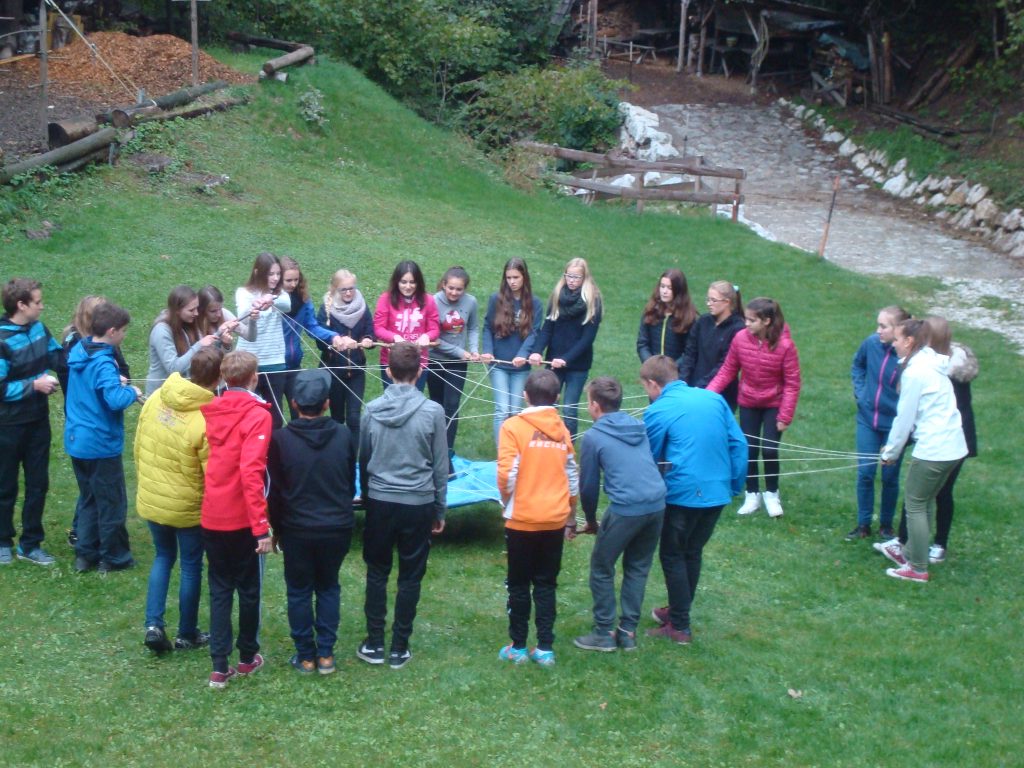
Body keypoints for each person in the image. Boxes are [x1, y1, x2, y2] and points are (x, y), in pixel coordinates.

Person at [641, 355, 747, 645]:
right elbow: (739, 444)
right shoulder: (713, 399)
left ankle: (680, 626)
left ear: (653, 384)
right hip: (717, 492)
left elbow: (649, 458)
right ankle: (678, 610)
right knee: (692, 551)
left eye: (646, 388)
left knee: (673, 554)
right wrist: (733, 484)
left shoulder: (658, 410)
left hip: (683, 494)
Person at [357, 342, 447, 669]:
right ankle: (397, 647)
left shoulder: (371, 410)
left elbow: (364, 459)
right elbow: (440, 465)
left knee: (377, 572)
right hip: (417, 503)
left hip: (381, 502)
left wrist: (368, 497)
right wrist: (439, 508)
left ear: (388, 371)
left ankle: (377, 643)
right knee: (410, 575)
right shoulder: (432, 411)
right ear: (420, 372)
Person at [268, 369, 357, 676]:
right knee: (329, 586)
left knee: (299, 590)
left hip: (297, 528)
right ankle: (326, 654)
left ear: (293, 403)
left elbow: (275, 491)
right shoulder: (344, 435)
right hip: (336, 525)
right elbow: (349, 481)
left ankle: (306, 656)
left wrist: (276, 527)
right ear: (327, 403)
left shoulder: (280, 440)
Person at [134, 347, 223, 653]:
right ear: (218, 378)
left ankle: (153, 625)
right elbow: (212, 473)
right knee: (190, 566)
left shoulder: (158, 396)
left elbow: (138, 443)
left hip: (153, 496)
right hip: (187, 508)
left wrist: (145, 481)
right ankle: (187, 633)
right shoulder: (206, 419)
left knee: (162, 557)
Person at [573, 377, 665, 653]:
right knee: (638, 566)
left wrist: (591, 520)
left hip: (627, 508)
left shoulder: (594, 437)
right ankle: (627, 633)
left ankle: (603, 633)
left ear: (595, 406)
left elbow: (588, 486)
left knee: (602, 567)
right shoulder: (638, 426)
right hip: (657, 503)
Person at [200, 350, 275, 688]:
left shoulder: (215, 409)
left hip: (212, 514)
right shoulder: (257, 415)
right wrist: (261, 527)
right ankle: (246, 657)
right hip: (241, 518)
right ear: (254, 377)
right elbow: (251, 472)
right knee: (248, 589)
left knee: (219, 589)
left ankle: (219, 666)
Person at [878, 316, 978, 567]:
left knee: (915, 505)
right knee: (924, 503)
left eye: (897, 339)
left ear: (910, 341)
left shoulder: (916, 372)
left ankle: (917, 567)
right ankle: (911, 554)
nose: (893, 344)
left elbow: (904, 419)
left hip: (935, 449)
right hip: (953, 447)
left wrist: (890, 453)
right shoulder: (934, 364)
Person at [496, 368, 579, 667]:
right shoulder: (562, 429)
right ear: (557, 397)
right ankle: (545, 648)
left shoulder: (512, 427)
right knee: (546, 583)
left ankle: (518, 646)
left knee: (518, 583)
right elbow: (572, 475)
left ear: (524, 396)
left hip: (522, 518)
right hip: (554, 519)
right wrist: (570, 513)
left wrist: (507, 501)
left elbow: (507, 473)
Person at [65, 301, 143, 573]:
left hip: (77, 440)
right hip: (99, 443)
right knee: (111, 502)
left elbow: (96, 387)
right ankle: (114, 557)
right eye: (123, 331)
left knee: (89, 498)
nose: (124, 335)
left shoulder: (81, 350)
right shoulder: (104, 361)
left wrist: (114, 382)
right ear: (112, 331)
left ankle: (85, 555)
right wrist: (131, 391)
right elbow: (114, 400)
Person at [708, 297, 801, 518]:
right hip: (748, 401)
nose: (746, 324)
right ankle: (752, 494)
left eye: (752, 320)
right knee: (748, 448)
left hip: (773, 404)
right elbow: (728, 370)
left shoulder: (785, 346)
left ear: (766, 321)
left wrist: (785, 415)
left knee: (769, 449)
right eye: (746, 319)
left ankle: (772, 493)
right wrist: (708, 395)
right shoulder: (740, 338)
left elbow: (792, 383)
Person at [0, 278, 62, 567]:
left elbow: (58, 356)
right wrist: (34, 386)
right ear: (21, 305)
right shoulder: (2, 339)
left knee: (38, 484)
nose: (42, 306)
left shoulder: (39, 329)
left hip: (38, 421)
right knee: (5, 485)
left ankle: (30, 544)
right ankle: (2, 541)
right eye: (37, 302)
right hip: (8, 427)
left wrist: (94, 352)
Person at [848, 306, 909, 540]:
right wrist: (861, 393)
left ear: (898, 329)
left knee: (889, 476)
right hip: (867, 420)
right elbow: (858, 365)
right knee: (865, 472)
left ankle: (886, 525)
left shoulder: (907, 357)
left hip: (894, 426)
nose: (878, 330)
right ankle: (863, 524)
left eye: (883, 326)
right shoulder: (871, 344)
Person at [528, 258, 602, 439]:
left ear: (584, 278)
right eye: (569, 276)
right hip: (553, 362)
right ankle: (546, 443)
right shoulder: (558, 296)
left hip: (577, 365)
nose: (571, 280)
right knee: (547, 405)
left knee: (569, 408)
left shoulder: (593, 300)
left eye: (576, 277)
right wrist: (537, 350)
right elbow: (547, 328)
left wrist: (566, 359)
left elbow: (587, 339)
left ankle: (568, 447)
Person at [480, 257, 542, 444]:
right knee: (502, 409)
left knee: (515, 412)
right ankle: (503, 455)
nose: (512, 282)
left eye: (516, 277)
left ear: (524, 277)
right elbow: (487, 327)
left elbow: (534, 333)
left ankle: (514, 450)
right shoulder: (496, 299)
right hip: (498, 363)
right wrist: (488, 351)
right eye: (508, 278)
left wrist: (523, 354)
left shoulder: (535, 303)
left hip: (520, 367)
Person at [278, 256, 344, 420]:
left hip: (294, 364)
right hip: (274, 366)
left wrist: (333, 336)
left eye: (296, 279)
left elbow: (312, 328)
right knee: (275, 419)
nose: (293, 284)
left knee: (300, 415)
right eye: (288, 280)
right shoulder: (270, 303)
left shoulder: (303, 300)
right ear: (278, 280)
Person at [427, 266, 479, 468]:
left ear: (465, 289)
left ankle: (446, 453)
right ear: (443, 285)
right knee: (437, 406)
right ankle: (434, 449)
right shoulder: (432, 301)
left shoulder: (471, 302)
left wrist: (473, 350)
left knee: (452, 406)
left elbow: (473, 327)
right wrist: (459, 351)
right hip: (435, 360)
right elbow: (433, 338)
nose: (454, 293)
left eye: (459, 289)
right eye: (451, 288)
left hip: (458, 364)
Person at [316, 269, 374, 448]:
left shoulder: (361, 307)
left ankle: (354, 457)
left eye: (352, 288)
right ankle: (339, 454)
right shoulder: (327, 310)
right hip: (334, 370)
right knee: (337, 417)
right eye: (344, 290)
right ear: (334, 289)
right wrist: (336, 342)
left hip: (357, 370)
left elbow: (370, 330)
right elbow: (319, 340)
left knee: (354, 418)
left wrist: (368, 339)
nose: (349, 293)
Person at [235, 252, 292, 428]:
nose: (275, 278)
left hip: (274, 362)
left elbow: (287, 305)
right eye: (270, 274)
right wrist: (256, 306)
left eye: (278, 273)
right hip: (248, 363)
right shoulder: (243, 293)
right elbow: (242, 318)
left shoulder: (280, 294)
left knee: (275, 418)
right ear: (258, 272)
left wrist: (271, 299)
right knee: (246, 417)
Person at [373, 260, 440, 391]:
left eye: (412, 282)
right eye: (403, 282)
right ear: (396, 282)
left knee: (414, 399)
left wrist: (426, 336)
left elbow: (434, 329)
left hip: (418, 362)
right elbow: (378, 328)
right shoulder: (385, 299)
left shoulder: (428, 300)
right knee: (393, 400)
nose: (408, 286)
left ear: (418, 282)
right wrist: (395, 338)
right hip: (392, 362)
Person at [678, 281, 745, 410]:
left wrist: (702, 386)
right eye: (708, 299)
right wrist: (683, 381)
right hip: (692, 388)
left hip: (721, 394)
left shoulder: (738, 329)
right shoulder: (703, 321)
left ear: (726, 302)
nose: (709, 304)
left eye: (713, 300)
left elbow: (725, 364)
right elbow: (690, 353)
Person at [145, 285, 218, 395]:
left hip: (179, 393)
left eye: (197, 308)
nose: (196, 313)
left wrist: (220, 334)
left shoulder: (187, 322)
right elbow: (173, 368)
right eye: (191, 310)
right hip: (160, 395)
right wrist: (199, 345)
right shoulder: (161, 331)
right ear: (177, 311)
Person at [636, 269, 697, 363]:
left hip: (676, 370)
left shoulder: (688, 318)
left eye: (669, 288)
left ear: (678, 290)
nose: (664, 291)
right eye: (662, 286)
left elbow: (689, 352)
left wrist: (671, 368)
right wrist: (651, 365)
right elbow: (642, 344)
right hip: (651, 369)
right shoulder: (650, 312)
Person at [197, 285, 257, 351]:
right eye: (213, 311)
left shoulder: (224, 313)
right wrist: (219, 333)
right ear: (202, 310)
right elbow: (202, 354)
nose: (219, 314)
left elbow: (251, 338)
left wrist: (252, 321)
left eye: (220, 308)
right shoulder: (195, 323)